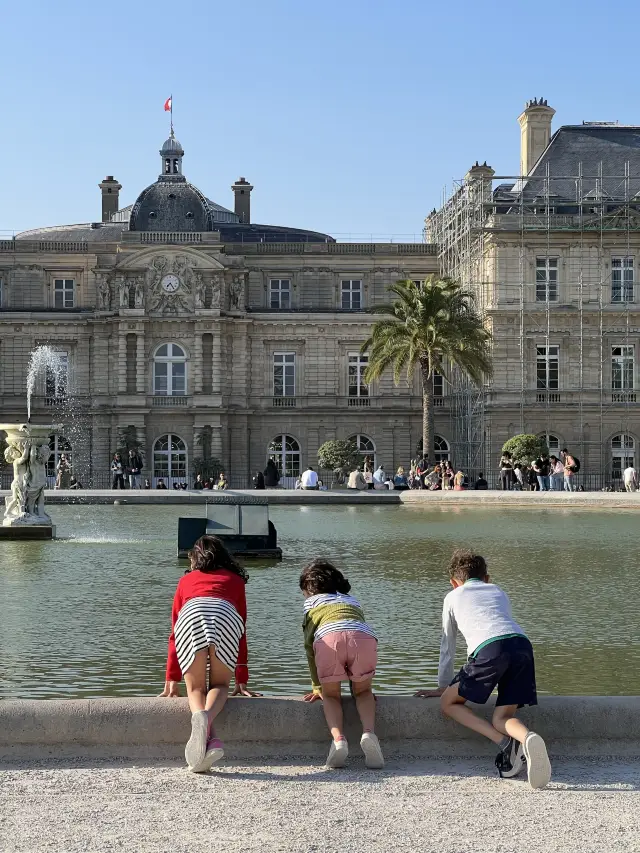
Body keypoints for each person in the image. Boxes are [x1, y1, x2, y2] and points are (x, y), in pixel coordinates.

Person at [415, 549, 551, 790]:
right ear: (487, 578)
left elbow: (448, 644)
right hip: (522, 645)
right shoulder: (498, 591)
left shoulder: (452, 596)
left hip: (491, 649)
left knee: (449, 703)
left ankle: (505, 744)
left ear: (454, 583)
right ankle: (527, 738)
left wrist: (444, 686)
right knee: (504, 716)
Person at [159, 535, 261, 772]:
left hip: (191, 616)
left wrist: (171, 679)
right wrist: (242, 679)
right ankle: (208, 725)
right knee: (220, 685)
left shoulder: (186, 581)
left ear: (195, 558)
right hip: (225, 616)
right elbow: (242, 629)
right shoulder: (236, 580)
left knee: (195, 688)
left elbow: (174, 632)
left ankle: (204, 724)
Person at [300, 559, 383, 770]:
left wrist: (317, 687)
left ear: (308, 589)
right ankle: (369, 734)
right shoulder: (351, 600)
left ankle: (338, 740)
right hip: (363, 638)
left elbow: (309, 646)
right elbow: (355, 627)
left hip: (328, 639)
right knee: (363, 692)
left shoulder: (311, 603)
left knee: (331, 695)